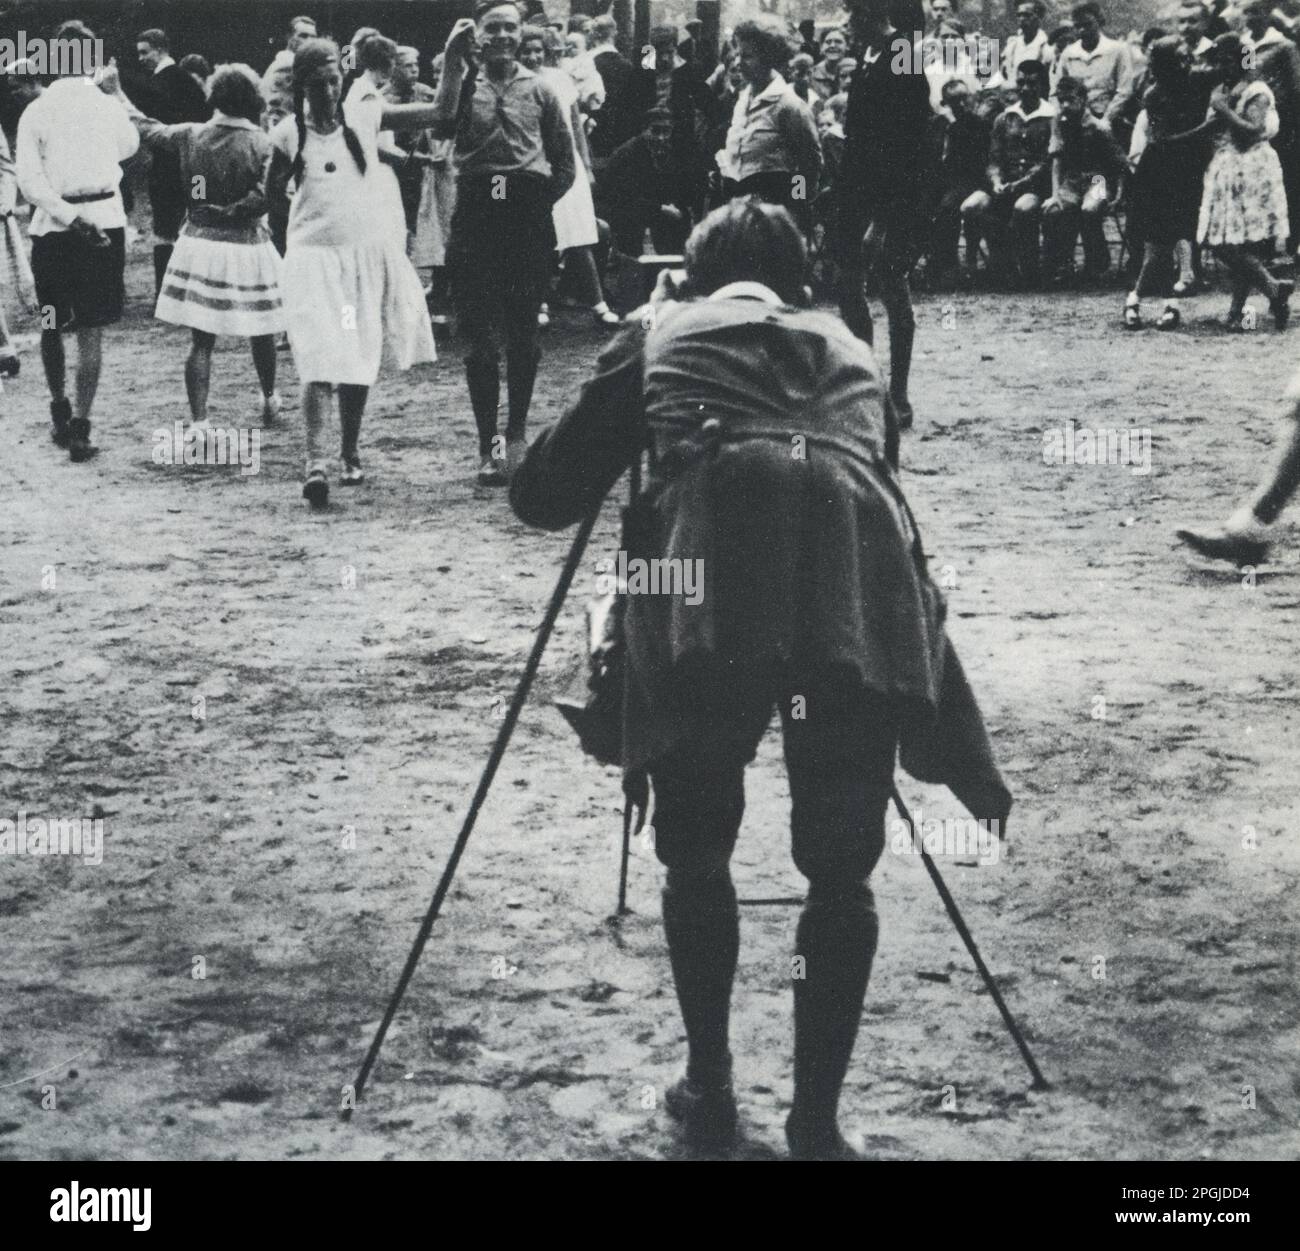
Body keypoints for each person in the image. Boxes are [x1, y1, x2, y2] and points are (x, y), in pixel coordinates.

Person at [509, 198, 1009, 1161]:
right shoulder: (847, 347)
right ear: (801, 279)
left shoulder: (661, 333)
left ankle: (710, 1091)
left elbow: (543, 495)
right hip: (856, 597)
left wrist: (642, 359)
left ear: (693, 277)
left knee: (697, 844)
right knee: (840, 863)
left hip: (712, 595)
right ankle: (816, 1122)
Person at [265, 39, 440, 506]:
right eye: (317, 78)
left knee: (358, 359)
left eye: (333, 76)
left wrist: (458, 59)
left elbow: (441, 112)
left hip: (361, 258)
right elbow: (269, 198)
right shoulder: (287, 133)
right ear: (302, 83)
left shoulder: (365, 116)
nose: (327, 85)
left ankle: (349, 450)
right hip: (312, 262)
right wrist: (289, 252)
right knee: (319, 359)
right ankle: (314, 463)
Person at [430, 4, 576, 486]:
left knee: (522, 335)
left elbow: (564, 163)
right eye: (493, 28)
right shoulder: (461, 86)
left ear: (521, 34)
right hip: (476, 212)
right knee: (478, 340)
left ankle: (516, 434)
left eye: (510, 28)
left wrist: (531, 205)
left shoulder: (541, 89)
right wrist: (453, 68)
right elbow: (439, 130)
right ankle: (487, 444)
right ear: (478, 36)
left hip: (525, 216)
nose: (503, 36)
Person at [115, 64, 284, 428]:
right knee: (263, 328)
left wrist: (116, 92)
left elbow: (146, 127)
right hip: (248, 244)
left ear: (214, 96)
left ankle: (200, 421)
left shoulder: (191, 134)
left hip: (201, 240)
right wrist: (231, 211)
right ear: (253, 99)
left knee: (201, 340)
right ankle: (269, 397)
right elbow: (264, 197)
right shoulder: (264, 143)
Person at [15, 21, 139, 463]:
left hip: (54, 228)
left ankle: (59, 405)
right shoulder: (107, 106)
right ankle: (81, 423)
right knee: (91, 328)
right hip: (104, 222)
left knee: (51, 319)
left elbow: (29, 183)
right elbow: (130, 147)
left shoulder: (36, 110)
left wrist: (69, 215)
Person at [838, 0, 933, 437]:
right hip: (858, 188)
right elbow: (860, 133)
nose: (846, 22)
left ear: (871, 15)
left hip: (896, 194)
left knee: (892, 281)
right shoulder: (867, 56)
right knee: (848, 282)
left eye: (852, 14)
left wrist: (882, 217)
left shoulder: (903, 53)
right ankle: (865, 387)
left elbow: (909, 141)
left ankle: (899, 394)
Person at [521, 26, 620, 328]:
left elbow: (575, 124)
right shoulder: (516, 82)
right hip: (533, 164)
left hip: (568, 163)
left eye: (538, 50)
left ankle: (599, 305)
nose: (534, 55)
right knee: (537, 236)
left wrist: (586, 166)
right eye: (527, 50)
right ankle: (539, 302)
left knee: (579, 235)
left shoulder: (561, 78)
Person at [1195, 32, 1293, 329]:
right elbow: (1211, 127)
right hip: (1227, 167)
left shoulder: (1257, 89)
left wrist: (1224, 110)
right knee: (1233, 243)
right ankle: (1262, 296)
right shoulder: (1224, 87)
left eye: (1228, 60)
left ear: (1241, 59)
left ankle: (1263, 292)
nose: (1223, 66)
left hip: (1252, 168)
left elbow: (1251, 130)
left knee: (1232, 244)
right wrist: (1176, 141)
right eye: (1219, 61)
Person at [719, 18, 822, 234]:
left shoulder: (789, 105)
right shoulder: (743, 98)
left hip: (774, 216)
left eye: (747, 56)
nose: (738, 62)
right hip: (740, 212)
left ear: (768, 58)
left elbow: (808, 165)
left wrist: (795, 208)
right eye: (737, 54)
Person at [962, 60, 1055, 288]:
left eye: (1032, 84)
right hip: (1004, 184)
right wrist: (995, 180)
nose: (1025, 89)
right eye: (1021, 82)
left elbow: (1047, 161)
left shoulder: (1051, 117)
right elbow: (994, 158)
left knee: (1023, 207)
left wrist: (1022, 182)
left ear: (1042, 86)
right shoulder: (1004, 118)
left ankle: (1026, 266)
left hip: (1036, 187)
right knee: (971, 206)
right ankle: (997, 263)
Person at [132, 28, 211, 296]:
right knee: (196, 220)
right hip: (196, 169)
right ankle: (196, 289)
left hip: (168, 169)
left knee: (166, 229)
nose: (141, 58)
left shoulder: (163, 83)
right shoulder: (185, 81)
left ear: (160, 49)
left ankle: (166, 294)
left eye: (145, 52)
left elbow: (150, 126)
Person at [1042, 73, 1127, 283]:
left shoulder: (1099, 127)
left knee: (1089, 209)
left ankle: (1097, 262)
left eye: (1070, 100)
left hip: (1098, 179)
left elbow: (1120, 164)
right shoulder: (1059, 123)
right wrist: (1055, 194)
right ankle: (1062, 262)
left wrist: (1118, 194)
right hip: (1072, 179)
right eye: (1061, 100)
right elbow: (1057, 160)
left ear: (1083, 100)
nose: (1065, 105)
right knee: (1058, 209)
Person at [636, 24, 725, 224]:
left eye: (669, 52)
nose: (665, 58)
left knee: (681, 206)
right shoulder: (644, 74)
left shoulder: (688, 73)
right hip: (650, 146)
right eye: (660, 52)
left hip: (679, 147)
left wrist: (706, 141)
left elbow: (714, 110)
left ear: (675, 49)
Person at [1242, 0, 1300, 254]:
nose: (1251, 18)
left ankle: (1292, 242)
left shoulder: (1283, 46)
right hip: (1251, 123)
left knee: (1287, 181)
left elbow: (1295, 85)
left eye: (1255, 13)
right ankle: (1261, 243)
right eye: (1247, 13)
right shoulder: (1245, 46)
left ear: (1267, 14)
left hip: (1281, 125)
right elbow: (1244, 80)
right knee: (1256, 183)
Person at [596, 108, 689, 257]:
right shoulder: (628, 153)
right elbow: (623, 197)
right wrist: (661, 208)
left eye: (666, 132)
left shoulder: (667, 151)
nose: (661, 137)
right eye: (655, 131)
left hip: (649, 208)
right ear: (644, 130)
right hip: (621, 210)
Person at [927, 78, 993, 285]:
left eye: (965, 98)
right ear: (945, 103)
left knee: (947, 207)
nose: (962, 104)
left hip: (970, 180)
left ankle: (950, 265)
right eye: (956, 101)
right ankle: (933, 261)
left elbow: (973, 157)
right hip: (942, 180)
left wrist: (954, 124)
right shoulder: (935, 124)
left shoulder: (978, 124)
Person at [1054, 2, 1135, 133]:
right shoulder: (1069, 54)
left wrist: (1105, 120)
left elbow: (1124, 90)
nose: (1082, 30)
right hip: (1075, 122)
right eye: (1078, 26)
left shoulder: (1117, 50)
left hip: (1108, 121)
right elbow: (1056, 89)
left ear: (1099, 22)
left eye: (1087, 25)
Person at [587, 14, 639, 164]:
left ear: (594, 34)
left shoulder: (585, 62)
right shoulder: (628, 66)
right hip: (620, 139)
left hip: (591, 136)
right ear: (614, 34)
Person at [263, 15, 318, 130]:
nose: (309, 41)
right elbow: (278, 111)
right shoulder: (288, 65)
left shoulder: (291, 63)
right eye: (303, 36)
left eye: (313, 37)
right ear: (289, 37)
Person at [1003, 1, 1055, 80]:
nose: (1022, 19)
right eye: (1019, 15)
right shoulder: (1012, 46)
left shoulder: (1047, 48)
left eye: (1027, 15)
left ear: (1039, 18)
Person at [812, 26, 849, 101]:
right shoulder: (811, 75)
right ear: (821, 47)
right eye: (828, 42)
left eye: (838, 42)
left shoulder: (856, 74)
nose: (832, 45)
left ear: (847, 46)